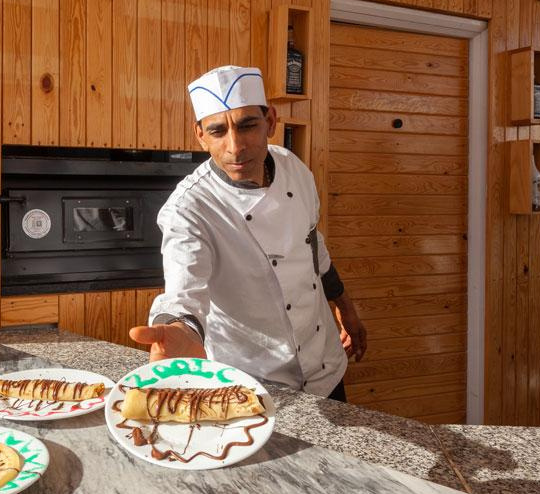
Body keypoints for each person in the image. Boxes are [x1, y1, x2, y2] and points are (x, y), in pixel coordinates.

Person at [128, 65, 367, 401]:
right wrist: (181, 328)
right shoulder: (189, 209)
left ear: (270, 121)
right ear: (200, 135)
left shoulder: (294, 168)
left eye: (247, 125)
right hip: (252, 382)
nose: (235, 146)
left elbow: (314, 245)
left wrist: (345, 307)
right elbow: (184, 289)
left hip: (324, 363)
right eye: (217, 131)